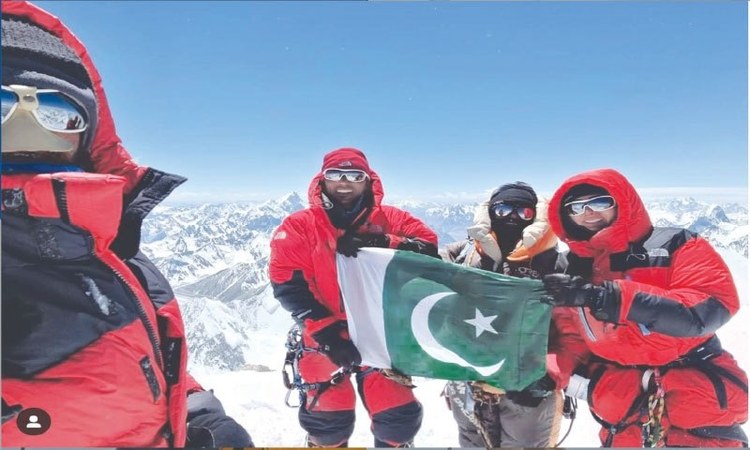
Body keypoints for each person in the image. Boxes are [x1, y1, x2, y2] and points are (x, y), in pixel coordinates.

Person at [0, 2, 252, 447]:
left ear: (88, 131)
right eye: (2, 102)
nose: (27, 125)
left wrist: (192, 408)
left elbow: (137, 356)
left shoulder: (106, 242)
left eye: (57, 110)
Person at [542, 168, 748, 447]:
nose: (588, 213)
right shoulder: (570, 268)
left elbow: (708, 308)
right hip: (621, 402)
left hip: (695, 394)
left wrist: (610, 298)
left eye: (600, 202)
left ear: (623, 202)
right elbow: (572, 339)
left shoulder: (676, 244)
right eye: (576, 207)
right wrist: (550, 374)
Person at [269, 147, 439, 447]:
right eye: (335, 175)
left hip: (379, 334)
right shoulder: (300, 226)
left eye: (354, 175)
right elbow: (287, 283)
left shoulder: (391, 220)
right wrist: (328, 333)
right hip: (324, 334)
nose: (344, 182)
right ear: (322, 180)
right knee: (327, 425)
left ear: (368, 180)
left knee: (397, 420)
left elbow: (428, 250)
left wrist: (382, 241)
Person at [440, 182, 585, 448]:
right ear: (490, 213)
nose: (511, 218)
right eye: (503, 209)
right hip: (470, 381)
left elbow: (576, 329)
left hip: (530, 387)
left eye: (523, 212)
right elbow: (420, 264)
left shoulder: (557, 263)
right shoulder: (464, 253)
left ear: (536, 217)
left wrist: (552, 372)